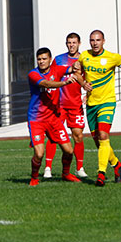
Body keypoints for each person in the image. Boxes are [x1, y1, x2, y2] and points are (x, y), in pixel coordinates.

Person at [79, 30, 121, 187]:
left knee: (103, 135)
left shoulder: (113, 57)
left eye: (98, 40)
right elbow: (78, 73)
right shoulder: (84, 56)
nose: (95, 43)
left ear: (103, 41)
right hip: (91, 104)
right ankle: (117, 165)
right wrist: (83, 84)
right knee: (99, 142)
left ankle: (101, 174)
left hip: (107, 102)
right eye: (92, 40)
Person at [27, 47, 90, 186]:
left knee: (69, 151)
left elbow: (71, 69)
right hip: (37, 119)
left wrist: (76, 65)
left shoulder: (57, 70)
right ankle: (34, 177)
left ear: (50, 59)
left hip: (53, 119)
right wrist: (64, 83)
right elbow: (46, 83)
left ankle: (66, 174)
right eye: (39, 59)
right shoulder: (33, 74)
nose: (41, 61)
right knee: (39, 153)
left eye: (44, 59)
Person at [43, 32, 90, 179]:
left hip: (75, 104)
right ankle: (48, 168)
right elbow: (51, 77)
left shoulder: (84, 60)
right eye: (69, 43)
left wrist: (87, 95)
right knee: (53, 136)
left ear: (79, 43)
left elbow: (89, 80)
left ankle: (79, 168)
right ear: (66, 44)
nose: (71, 45)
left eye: (74, 42)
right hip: (59, 104)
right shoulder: (59, 59)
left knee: (78, 136)